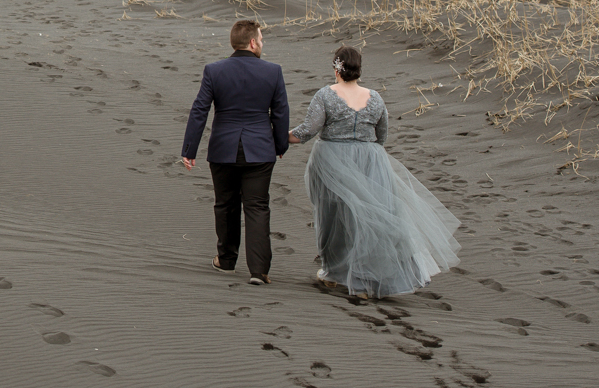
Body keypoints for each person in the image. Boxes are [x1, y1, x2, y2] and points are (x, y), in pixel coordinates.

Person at [287, 46, 461, 298]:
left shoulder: (325, 95)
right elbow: (383, 135)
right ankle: (364, 280)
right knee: (369, 218)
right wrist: (366, 150)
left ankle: (333, 273)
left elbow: (308, 130)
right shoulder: (375, 98)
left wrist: (281, 138)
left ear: (336, 69)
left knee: (333, 217)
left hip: (332, 159)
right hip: (370, 160)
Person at [181, 19, 290, 285]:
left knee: (225, 204)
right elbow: (281, 112)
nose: (262, 43)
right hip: (260, 150)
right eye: (261, 39)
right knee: (257, 206)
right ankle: (259, 270)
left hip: (222, 148)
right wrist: (280, 145)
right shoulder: (273, 71)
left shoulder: (214, 71)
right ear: (252, 42)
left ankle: (226, 260)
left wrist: (189, 149)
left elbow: (200, 110)